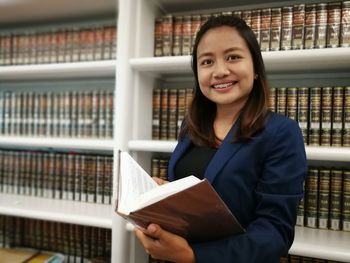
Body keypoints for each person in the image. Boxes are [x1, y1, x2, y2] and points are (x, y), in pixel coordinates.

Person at [135, 14, 307, 263]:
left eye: (233, 57)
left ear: (256, 68)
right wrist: (166, 195)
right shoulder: (191, 126)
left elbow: (275, 233)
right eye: (207, 61)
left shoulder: (281, 132)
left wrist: (193, 256)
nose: (220, 71)